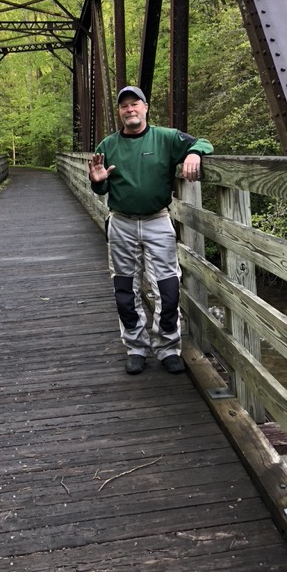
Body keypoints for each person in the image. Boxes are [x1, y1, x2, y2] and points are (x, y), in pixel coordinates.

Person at [88, 86, 214, 375]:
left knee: (167, 288)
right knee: (124, 289)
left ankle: (168, 347)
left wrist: (194, 152)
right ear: (119, 113)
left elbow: (205, 143)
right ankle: (135, 347)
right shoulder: (107, 145)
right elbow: (101, 187)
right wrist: (96, 182)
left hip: (158, 220)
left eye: (135, 104)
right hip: (121, 222)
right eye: (124, 107)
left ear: (146, 107)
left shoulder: (167, 138)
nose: (130, 110)